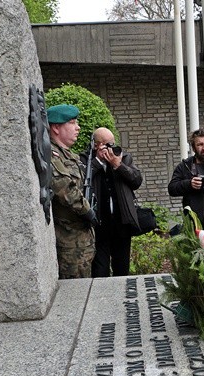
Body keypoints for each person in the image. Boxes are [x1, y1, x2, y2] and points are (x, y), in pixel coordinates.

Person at [81, 127, 142, 277]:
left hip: (121, 223)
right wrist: (97, 161)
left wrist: (118, 165)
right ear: (96, 145)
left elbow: (137, 180)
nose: (111, 148)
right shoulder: (86, 160)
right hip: (98, 225)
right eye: (107, 144)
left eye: (113, 143)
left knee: (122, 269)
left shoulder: (123, 158)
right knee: (100, 271)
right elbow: (81, 181)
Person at [48, 104, 97, 279]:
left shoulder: (69, 155)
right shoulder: (52, 155)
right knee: (76, 295)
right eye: (72, 123)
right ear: (56, 127)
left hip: (82, 240)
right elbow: (65, 189)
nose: (78, 127)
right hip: (69, 242)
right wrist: (88, 210)